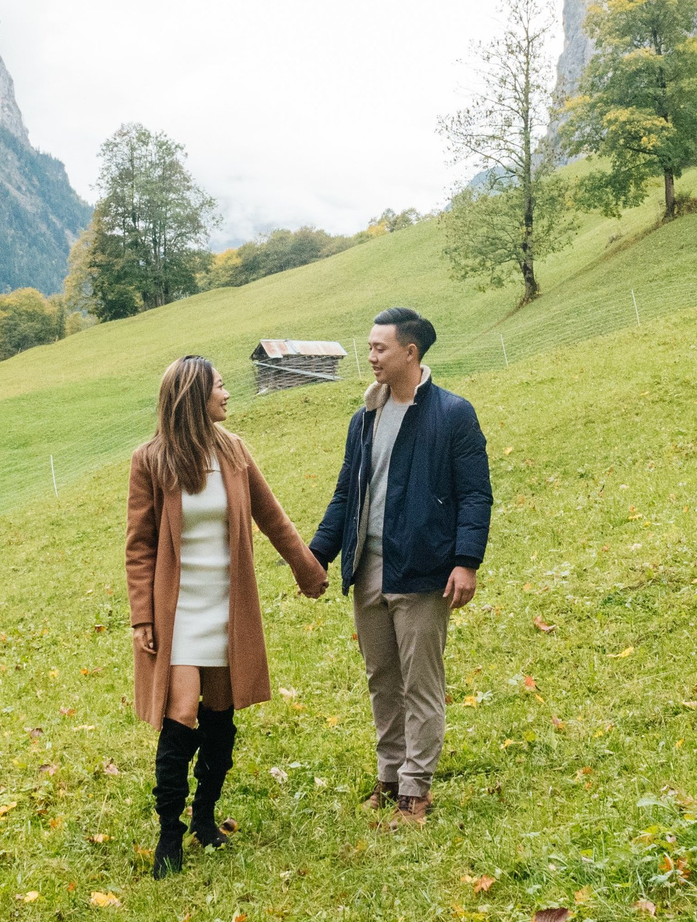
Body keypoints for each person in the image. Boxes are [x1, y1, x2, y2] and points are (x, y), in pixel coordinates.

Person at [126, 355, 327, 877]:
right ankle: (169, 832)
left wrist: (307, 570)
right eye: (220, 386)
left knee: (220, 714)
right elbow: (139, 546)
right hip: (178, 612)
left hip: (226, 606)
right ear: (194, 396)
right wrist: (142, 616)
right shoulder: (151, 461)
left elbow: (272, 517)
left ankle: (204, 818)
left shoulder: (235, 452)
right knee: (182, 711)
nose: (227, 394)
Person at [308, 307, 491, 825]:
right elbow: (346, 494)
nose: (370, 356)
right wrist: (316, 556)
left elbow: (475, 494)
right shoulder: (364, 418)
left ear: (410, 352)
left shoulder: (453, 414)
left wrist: (466, 561)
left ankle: (416, 790)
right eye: (369, 347)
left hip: (423, 568)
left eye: (379, 348)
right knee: (382, 679)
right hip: (367, 566)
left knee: (420, 683)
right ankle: (389, 777)